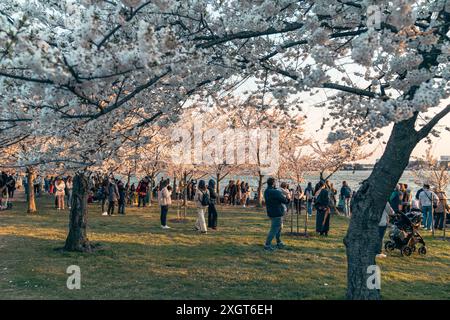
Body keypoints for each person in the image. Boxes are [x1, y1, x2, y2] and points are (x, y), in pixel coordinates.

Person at [263, 177, 289, 251]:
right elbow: (285, 201)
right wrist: (287, 196)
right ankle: (267, 245)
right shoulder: (275, 192)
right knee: (274, 229)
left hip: (270, 211)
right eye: (275, 182)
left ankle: (279, 242)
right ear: (273, 183)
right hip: (277, 212)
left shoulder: (266, 191)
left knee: (279, 227)